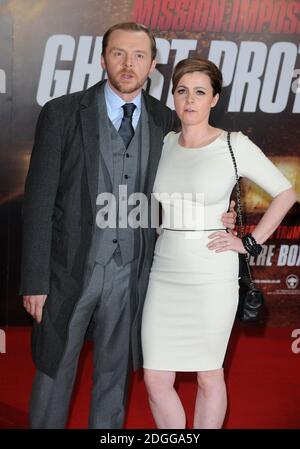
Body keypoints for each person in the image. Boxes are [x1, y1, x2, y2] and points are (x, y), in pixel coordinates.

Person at [20, 24, 236, 429]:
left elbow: (189, 185)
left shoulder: (168, 121)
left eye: (139, 56)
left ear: (152, 65)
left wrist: (220, 217)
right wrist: (35, 280)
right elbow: (39, 202)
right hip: (69, 271)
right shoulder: (62, 113)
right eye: (118, 53)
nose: (128, 64)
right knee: (54, 371)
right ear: (102, 59)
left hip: (133, 272)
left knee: (114, 376)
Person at [141, 57, 297, 429]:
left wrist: (250, 243)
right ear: (173, 97)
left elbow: (286, 194)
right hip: (164, 270)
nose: (189, 100)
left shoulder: (233, 144)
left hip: (212, 274)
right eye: (182, 91)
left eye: (199, 92)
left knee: (208, 375)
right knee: (155, 379)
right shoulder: (164, 143)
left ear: (214, 99)